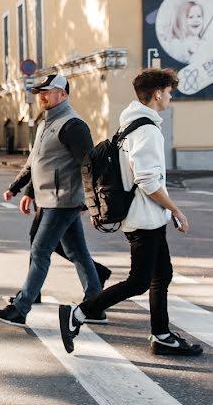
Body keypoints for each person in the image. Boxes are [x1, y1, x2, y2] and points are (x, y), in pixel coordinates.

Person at [59, 68, 202, 356]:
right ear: (158, 93)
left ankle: (161, 335)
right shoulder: (147, 130)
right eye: (170, 92)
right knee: (139, 281)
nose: (171, 97)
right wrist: (177, 210)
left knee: (162, 275)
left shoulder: (131, 124)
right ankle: (78, 313)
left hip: (146, 217)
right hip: (144, 219)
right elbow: (148, 180)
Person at [0, 74, 103, 327]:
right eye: (40, 92)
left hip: (62, 201)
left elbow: (89, 166)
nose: (42, 96)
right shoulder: (46, 123)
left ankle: (20, 309)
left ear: (62, 94)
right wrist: (22, 189)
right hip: (49, 199)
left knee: (40, 252)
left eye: (47, 91)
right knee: (78, 252)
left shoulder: (72, 125)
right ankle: (95, 305)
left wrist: (88, 202)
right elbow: (38, 162)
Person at [2, 176, 112, 307]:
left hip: (60, 199)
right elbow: (38, 166)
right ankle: (95, 299)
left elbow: (81, 166)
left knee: (43, 246)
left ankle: (26, 300)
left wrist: (85, 200)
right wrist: (25, 191)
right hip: (51, 198)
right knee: (71, 248)